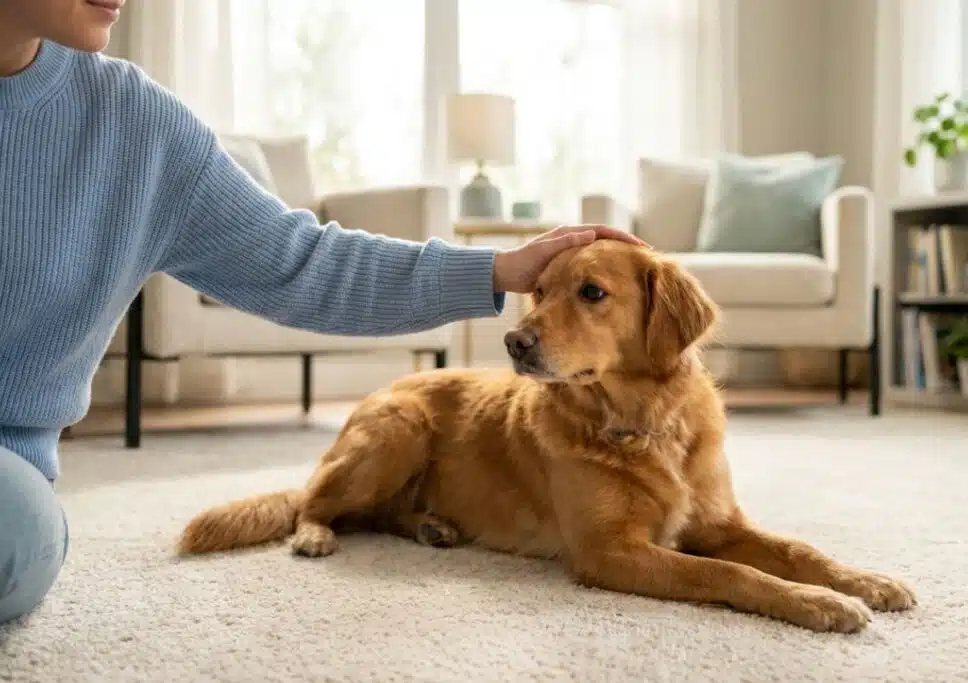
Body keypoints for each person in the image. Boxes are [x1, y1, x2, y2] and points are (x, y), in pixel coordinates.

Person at [0, 0, 645, 625]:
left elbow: (301, 262)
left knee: (16, 536)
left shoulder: (133, 127)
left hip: (10, 482)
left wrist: (497, 271)